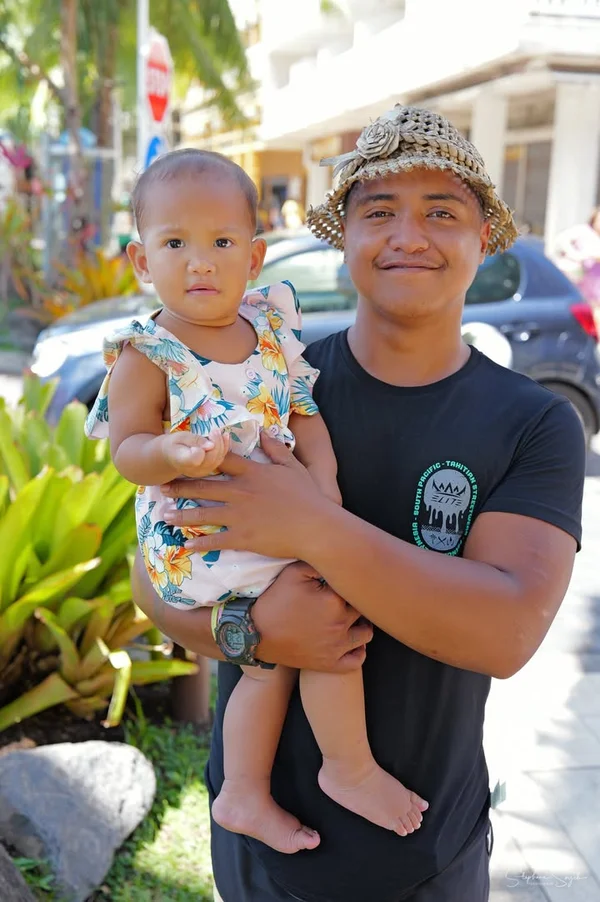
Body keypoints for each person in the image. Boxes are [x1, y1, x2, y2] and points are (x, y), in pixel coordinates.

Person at [132, 107, 586, 902]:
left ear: (483, 239)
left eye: (442, 213)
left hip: (425, 857)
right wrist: (248, 629)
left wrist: (311, 524)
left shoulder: (533, 422)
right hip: (256, 853)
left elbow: (507, 630)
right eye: (379, 213)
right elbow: (153, 573)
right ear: (343, 239)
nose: (408, 235)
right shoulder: (269, 386)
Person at [85, 147, 429, 857]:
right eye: (175, 243)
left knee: (274, 657)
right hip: (203, 533)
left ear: (255, 253)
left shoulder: (268, 331)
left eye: (220, 243)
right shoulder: (148, 353)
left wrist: (323, 481)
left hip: (280, 520)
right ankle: (349, 767)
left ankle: (243, 791)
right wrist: (170, 453)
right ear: (142, 261)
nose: (200, 262)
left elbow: (301, 410)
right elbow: (127, 449)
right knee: (326, 618)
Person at [551, 207, 600, 305]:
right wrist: (576, 255)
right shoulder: (583, 231)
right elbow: (561, 240)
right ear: (594, 219)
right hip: (579, 279)